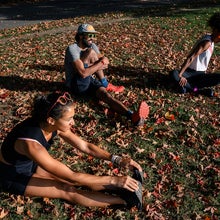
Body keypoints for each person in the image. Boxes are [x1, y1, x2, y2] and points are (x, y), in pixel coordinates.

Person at [0, 92, 144, 211]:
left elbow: (85, 146)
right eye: (69, 119)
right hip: (11, 175)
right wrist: (114, 179)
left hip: (29, 164)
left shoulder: (52, 125)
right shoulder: (31, 144)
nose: (73, 123)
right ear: (51, 120)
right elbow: (72, 176)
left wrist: (116, 159)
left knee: (77, 181)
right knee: (66, 189)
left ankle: (123, 188)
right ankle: (125, 201)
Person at [64, 23, 149, 126]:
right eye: (90, 35)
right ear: (81, 35)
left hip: (90, 80)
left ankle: (132, 116)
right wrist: (99, 63)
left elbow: (106, 63)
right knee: (91, 53)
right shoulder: (72, 48)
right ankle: (104, 82)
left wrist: (98, 64)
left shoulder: (92, 45)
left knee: (106, 96)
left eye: (94, 35)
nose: (93, 38)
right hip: (76, 84)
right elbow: (82, 73)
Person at [170, 12, 220, 97]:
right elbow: (191, 57)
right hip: (189, 73)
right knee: (174, 74)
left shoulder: (211, 40)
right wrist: (181, 75)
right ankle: (197, 91)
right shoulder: (207, 43)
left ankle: (185, 88)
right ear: (215, 30)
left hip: (200, 76)